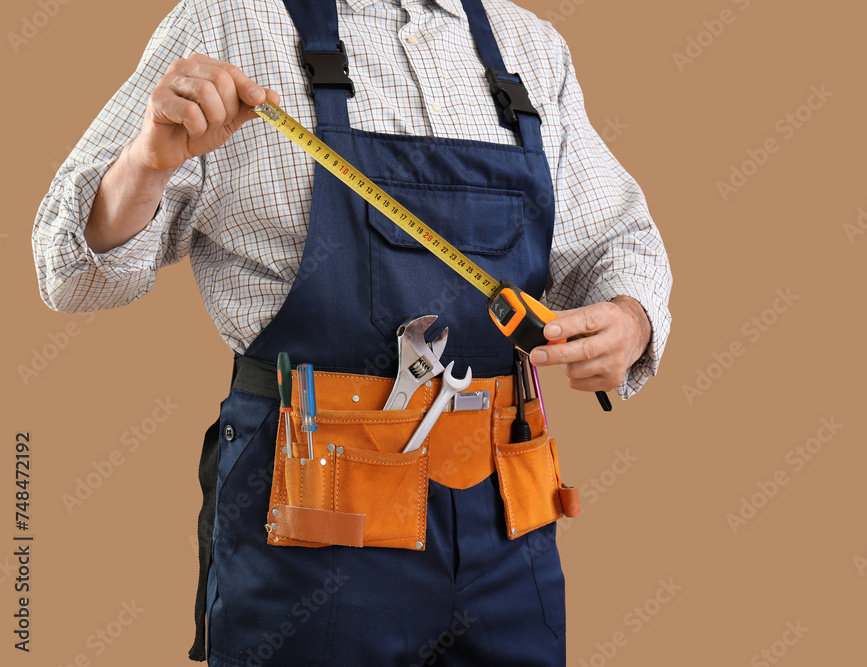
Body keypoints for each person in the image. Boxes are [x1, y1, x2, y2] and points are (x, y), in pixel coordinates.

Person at [32, 0, 671, 664]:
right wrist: (146, 164)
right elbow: (69, 275)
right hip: (310, 529)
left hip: (509, 532)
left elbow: (618, 240)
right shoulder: (227, 24)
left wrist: (632, 318)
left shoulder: (530, 47)